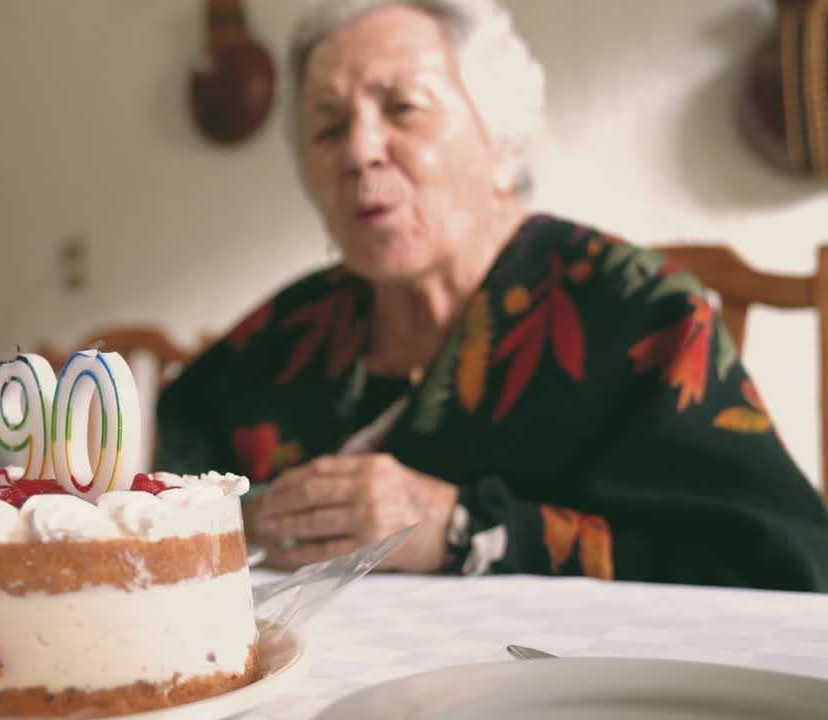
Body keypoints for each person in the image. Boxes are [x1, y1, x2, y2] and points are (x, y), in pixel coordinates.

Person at [155, 0, 828, 591]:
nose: (360, 152)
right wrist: (246, 521)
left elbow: (785, 568)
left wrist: (462, 529)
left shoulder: (642, 314)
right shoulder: (290, 330)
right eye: (328, 128)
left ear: (503, 142)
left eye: (403, 109)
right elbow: (158, 486)